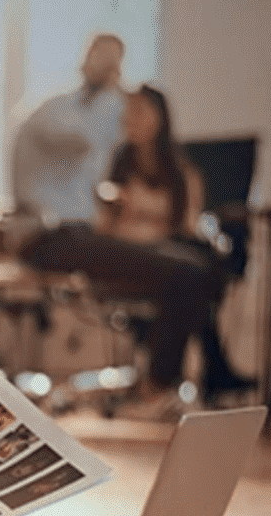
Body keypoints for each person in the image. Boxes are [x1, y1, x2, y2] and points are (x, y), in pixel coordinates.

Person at [97, 85, 255, 410]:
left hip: (169, 258)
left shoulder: (182, 171)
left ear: (160, 116)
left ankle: (162, 382)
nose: (132, 119)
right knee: (194, 275)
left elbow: (186, 225)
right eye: (128, 111)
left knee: (190, 271)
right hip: (132, 262)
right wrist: (144, 229)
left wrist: (145, 226)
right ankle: (207, 369)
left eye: (140, 110)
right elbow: (107, 229)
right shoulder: (119, 165)